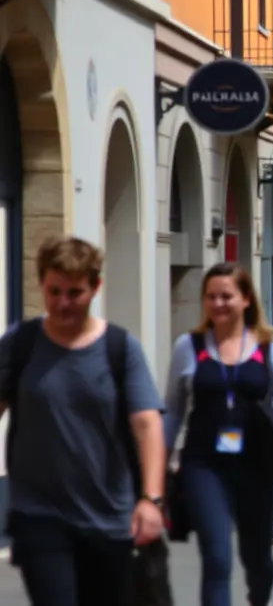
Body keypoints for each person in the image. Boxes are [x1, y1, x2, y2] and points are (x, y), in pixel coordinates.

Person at [0, 236, 165, 606]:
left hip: (108, 515)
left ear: (95, 288)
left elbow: (147, 424)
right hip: (38, 514)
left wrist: (151, 499)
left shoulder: (119, 348)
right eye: (53, 291)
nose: (62, 303)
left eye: (74, 292)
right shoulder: (20, 344)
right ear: (41, 285)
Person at [164, 263, 273, 606]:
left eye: (226, 296)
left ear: (246, 299)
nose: (218, 303)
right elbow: (172, 410)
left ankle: (259, 598)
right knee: (216, 557)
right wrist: (159, 468)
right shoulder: (189, 346)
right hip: (204, 464)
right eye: (211, 297)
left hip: (258, 465)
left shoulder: (268, 346)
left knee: (256, 557)